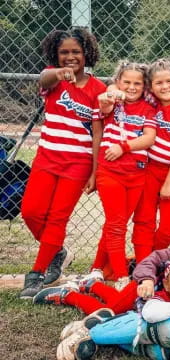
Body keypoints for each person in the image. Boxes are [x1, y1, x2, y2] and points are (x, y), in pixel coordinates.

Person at [19, 28, 106, 298]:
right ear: (55, 55)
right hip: (47, 157)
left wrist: (94, 171)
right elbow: (44, 78)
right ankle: (57, 250)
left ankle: (38, 271)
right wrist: (56, 73)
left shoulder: (97, 89)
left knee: (58, 217)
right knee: (31, 211)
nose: (70, 57)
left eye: (76, 52)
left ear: (86, 53)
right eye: (64, 52)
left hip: (77, 164)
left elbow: (97, 134)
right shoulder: (52, 79)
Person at [33, 218, 170, 323]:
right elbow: (152, 259)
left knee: (123, 307)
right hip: (151, 288)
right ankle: (68, 295)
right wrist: (147, 280)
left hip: (165, 303)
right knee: (112, 313)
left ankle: (91, 285)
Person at [56, 254, 170, 360]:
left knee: (112, 299)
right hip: (135, 308)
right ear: (167, 284)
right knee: (109, 309)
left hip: (142, 313)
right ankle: (69, 296)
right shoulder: (160, 293)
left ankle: (92, 285)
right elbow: (150, 313)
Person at [87, 60, 156, 289]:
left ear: (144, 86)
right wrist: (112, 93)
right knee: (117, 225)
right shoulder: (112, 102)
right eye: (126, 82)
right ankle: (120, 277)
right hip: (111, 173)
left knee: (115, 224)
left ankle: (96, 269)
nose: (132, 87)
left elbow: (149, 138)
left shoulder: (147, 109)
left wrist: (124, 147)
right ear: (118, 82)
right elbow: (104, 102)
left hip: (136, 174)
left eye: (137, 83)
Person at [131, 58, 170, 253]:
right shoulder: (149, 102)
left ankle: (151, 256)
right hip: (148, 169)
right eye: (159, 83)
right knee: (144, 220)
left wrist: (169, 183)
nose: (165, 86)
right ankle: (140, 262)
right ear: (151, 86)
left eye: (169, 81)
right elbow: (123, 86)